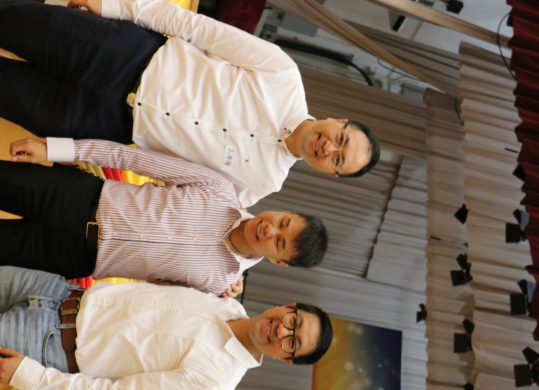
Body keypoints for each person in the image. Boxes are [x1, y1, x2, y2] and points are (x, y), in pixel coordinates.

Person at [0, 0, 381, 206]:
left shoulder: (258, 185)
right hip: (121, 52)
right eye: (341, 139)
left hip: (101, 122)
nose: (329, 148)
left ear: (330, 173)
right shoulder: (282, 74)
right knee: (9, 20)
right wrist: (115, 7)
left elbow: (199, 214)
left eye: (337, 159)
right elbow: (198, 29)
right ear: (339, 120)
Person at [2, 136, 328, 297]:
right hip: (75, 196)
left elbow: (152, 300)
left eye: (279, 243)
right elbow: (132, 159)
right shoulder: (218, 189)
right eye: (282, 222)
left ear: (279, 262)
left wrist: (223, 297)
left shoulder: (217, 284)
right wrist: (54, 148)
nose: (270, 230)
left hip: (72, 255)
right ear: (285, 211)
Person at [0, 266, 333, 390]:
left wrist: (27, 375)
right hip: (58, 290)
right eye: (293, 322)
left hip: (46, 345)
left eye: (292, 343)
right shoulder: (224, 301)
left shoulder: (213, 384)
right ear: (289, 306)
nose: (281, 331)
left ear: (285, 359)